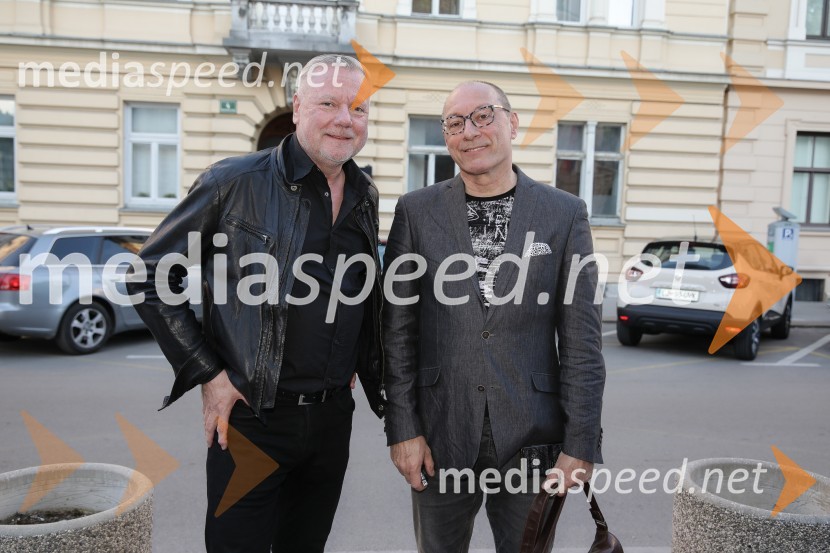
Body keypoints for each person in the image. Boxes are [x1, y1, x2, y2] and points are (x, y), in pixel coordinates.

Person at [127, 54, 385, 553]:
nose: (344, 118)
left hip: (333, 418)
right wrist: (208, 374)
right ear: (297, 108)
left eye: (358, 107)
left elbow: (359, 290)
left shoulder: (364, 193)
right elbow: (149, 274)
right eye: (328, 103)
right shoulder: (234, 181)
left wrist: (357, 359)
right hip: (252, 416)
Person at [382, 81, 605, 553]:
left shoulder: (564, 214)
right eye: (455, 123)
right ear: (445, 136)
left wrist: (580, 443)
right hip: (439, 435)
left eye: (484, 116)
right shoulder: (416, 212)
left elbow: (583, 341)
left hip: (533, 439)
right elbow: (397, 334)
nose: (470, 132)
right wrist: (402, 430)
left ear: (512, 123)